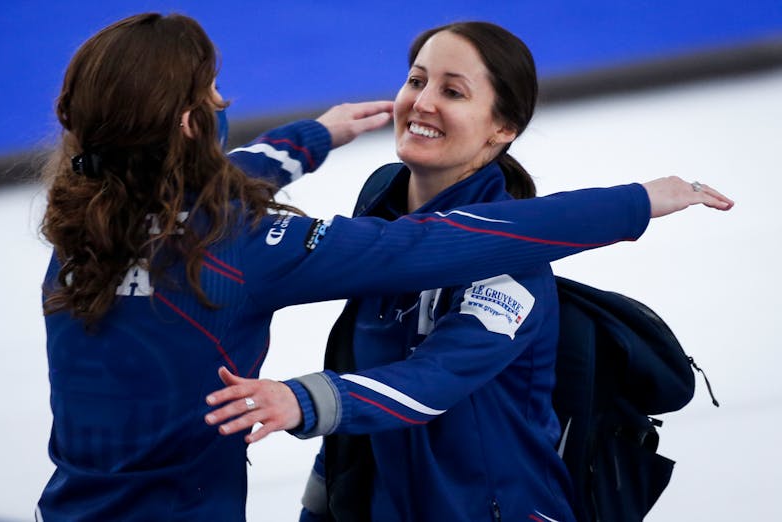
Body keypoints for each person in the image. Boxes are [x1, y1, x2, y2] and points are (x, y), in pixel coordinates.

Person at [37, 12, 732, 522]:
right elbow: (421, 246)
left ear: (503, 127)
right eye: (416, 79)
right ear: (192, 127)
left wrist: (315, 137)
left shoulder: (86, 222)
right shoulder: (259, 240)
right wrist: (636, 202)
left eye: (451, 90)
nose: (421, 100)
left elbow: (433, 379)